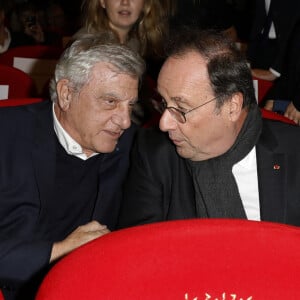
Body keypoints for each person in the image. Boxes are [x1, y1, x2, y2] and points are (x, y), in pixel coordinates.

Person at [0, 34, 145, 300]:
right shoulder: (6, 135)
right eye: (110, 102)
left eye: (130, 105)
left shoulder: (138, 148)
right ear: (66, 94)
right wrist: (59, 251)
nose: (125, 121)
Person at [117, 28, 300, 230]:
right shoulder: (154, 154)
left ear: (232, 107)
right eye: (164, 102)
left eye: (181, 109)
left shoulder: (294, 150)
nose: (164, 123)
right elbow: (139, 249)